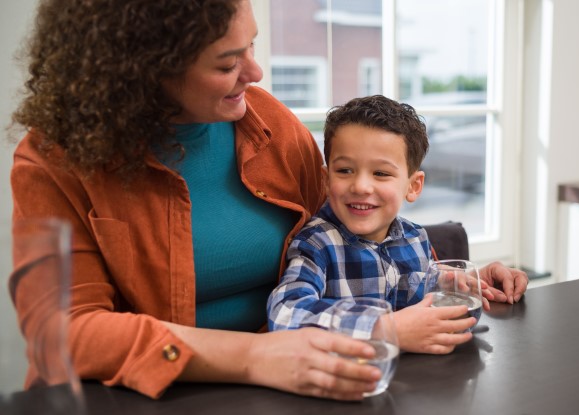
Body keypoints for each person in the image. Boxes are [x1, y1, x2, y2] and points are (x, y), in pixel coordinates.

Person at [8, 0, 527, 402]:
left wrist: (457, 279)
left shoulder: (269, 124)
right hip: (140, 397)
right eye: (228, 62)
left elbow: (350, 234)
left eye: (250, 47)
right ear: (143, 72)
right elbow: (66, 332)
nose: (255, 74)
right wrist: (256, 356)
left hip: (295, 379)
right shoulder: (54, 161)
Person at [268, 95, 528, 354]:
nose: (360, 186)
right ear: (326, 180)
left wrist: (471, 283)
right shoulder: (316, 243)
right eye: (345, 170)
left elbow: (419, 293)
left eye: (381, 173)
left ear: (413, 186)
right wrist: (386, 327)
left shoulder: (416, 238)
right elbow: (285, 314)